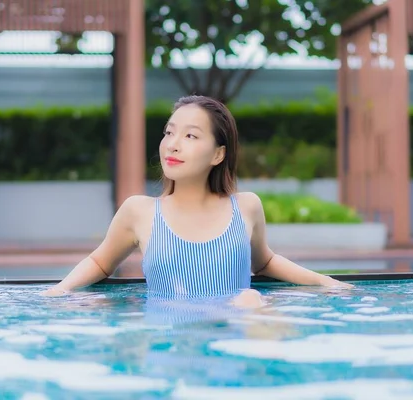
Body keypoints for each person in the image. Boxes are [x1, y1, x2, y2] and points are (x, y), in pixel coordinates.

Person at [41, 95, 353, 305]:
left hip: (236, 334)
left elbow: (265, 261)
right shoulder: (140, 211)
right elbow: (100, 261)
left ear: (218, 153)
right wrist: (59, 291)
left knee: (248, 300)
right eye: (169, 133)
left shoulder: (245, 206)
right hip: (170, 343)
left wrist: (325, 282)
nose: (173, 145)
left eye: (190, 136)